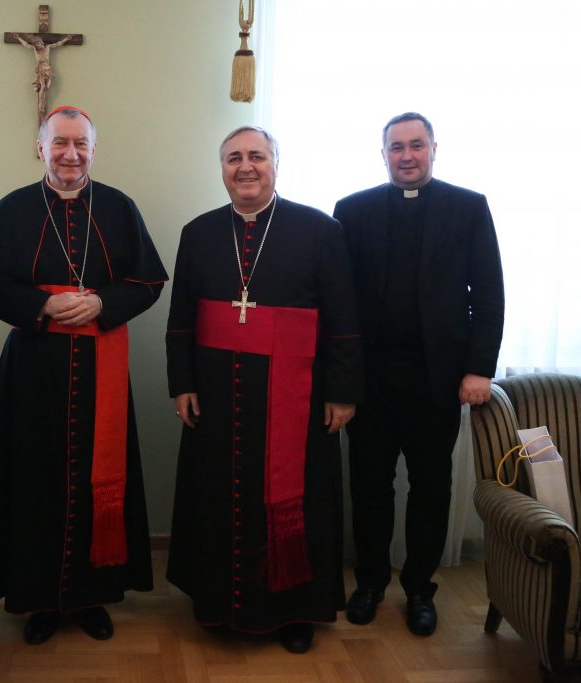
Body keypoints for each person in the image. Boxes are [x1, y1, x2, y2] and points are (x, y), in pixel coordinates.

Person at [0, 105, 167, 645]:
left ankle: (91, 597)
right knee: (35, 477)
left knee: (96, 478)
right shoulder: (11, 210)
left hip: (102, 363)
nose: (70, 153)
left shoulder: (118, 208)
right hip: (35, 370)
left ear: (93, 150)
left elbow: (149, 280)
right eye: (60, 143)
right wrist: (44, 307)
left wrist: (103, 301)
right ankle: (40, 600)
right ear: (41, 148)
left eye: (81, 144)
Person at [165, 126, 363, 654]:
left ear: (278, 163)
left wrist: (342, 391)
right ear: (222, 168)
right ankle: (217, 603)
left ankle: (295, 609)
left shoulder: (320, 230)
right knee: (219, 496)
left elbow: (343, 318)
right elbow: (181, 317)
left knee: (298, 497)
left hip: (296, 397)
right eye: (234, 157)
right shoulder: (199, 231)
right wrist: (180, 382)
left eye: (257, 156)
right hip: (216, 392)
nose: (245, 167)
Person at [333, 112, 504, 636]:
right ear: (381, 153)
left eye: (416, 145)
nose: (406, 155)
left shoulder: (468, 207)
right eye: (396, 147)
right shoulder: (351, 210)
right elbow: (338, 302)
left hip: (438, 380)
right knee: (369, 488)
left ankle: (419, 590)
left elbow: (489, 294)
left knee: (430, 489)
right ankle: (368, 584)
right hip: (372, 380)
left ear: (434, 149)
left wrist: (479, 368)